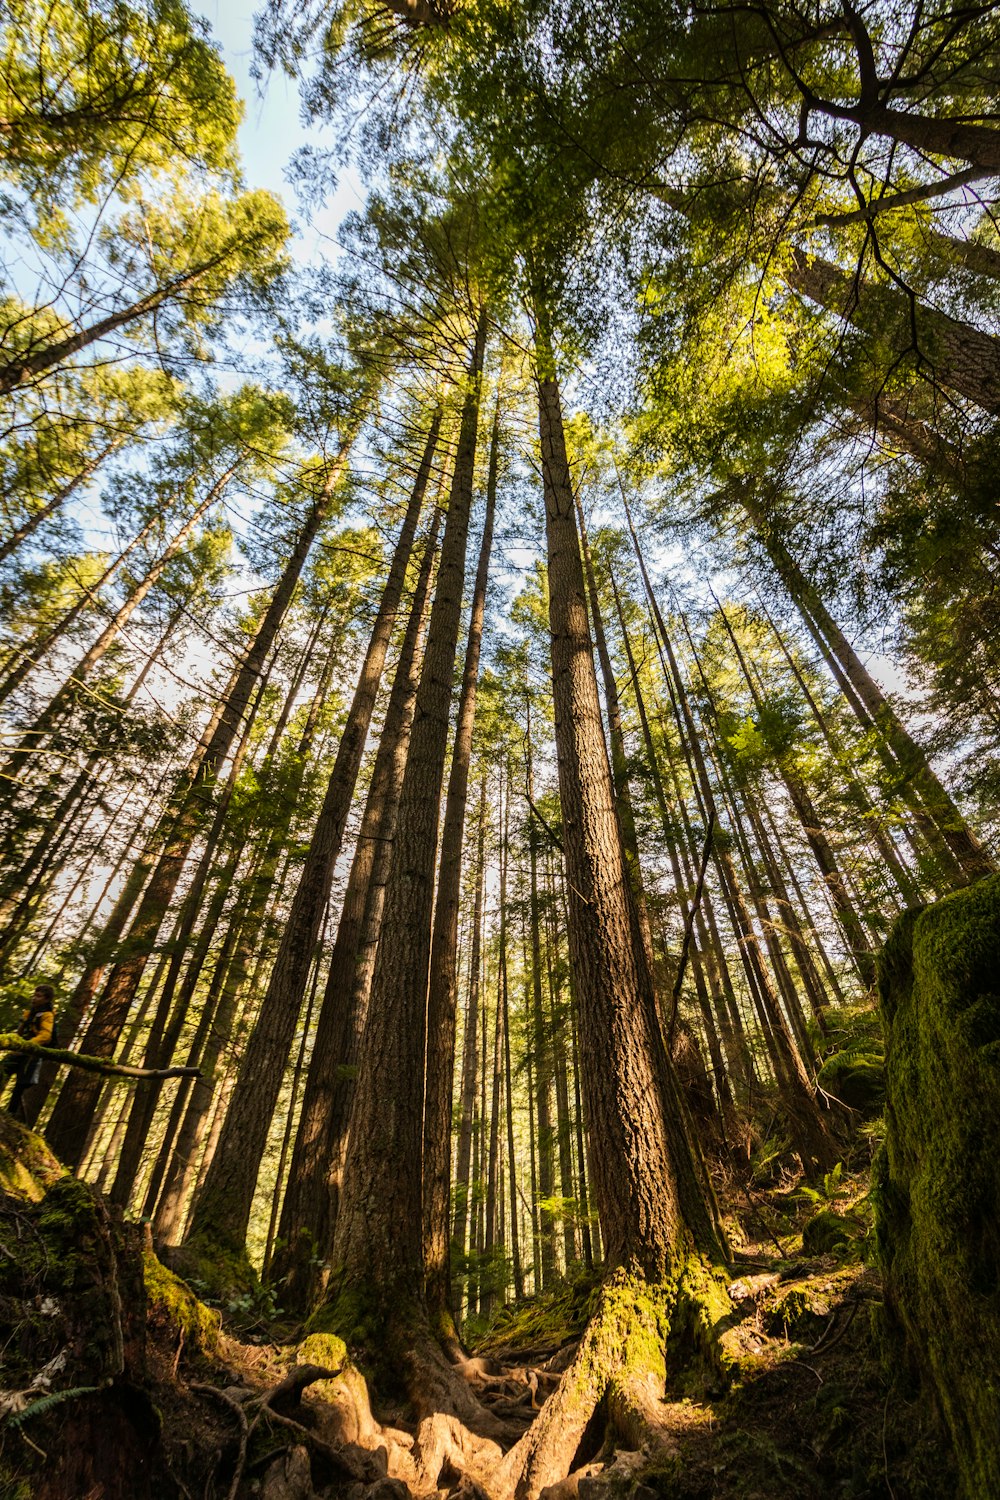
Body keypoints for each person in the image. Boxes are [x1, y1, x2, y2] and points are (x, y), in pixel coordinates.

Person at [2, 983, 56, 1121]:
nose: (34, 998)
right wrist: (15, 1042)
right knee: (2, 1069)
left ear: (46, 999)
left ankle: (10, 1115)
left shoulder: (47, 1015)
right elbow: (21, 1031)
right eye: (34, 995)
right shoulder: (30, 1013)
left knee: (20, 1086)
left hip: (32, 1055)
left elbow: (45, 1036)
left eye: (38, 996)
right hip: (19, 1051)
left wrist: (27, 1045)